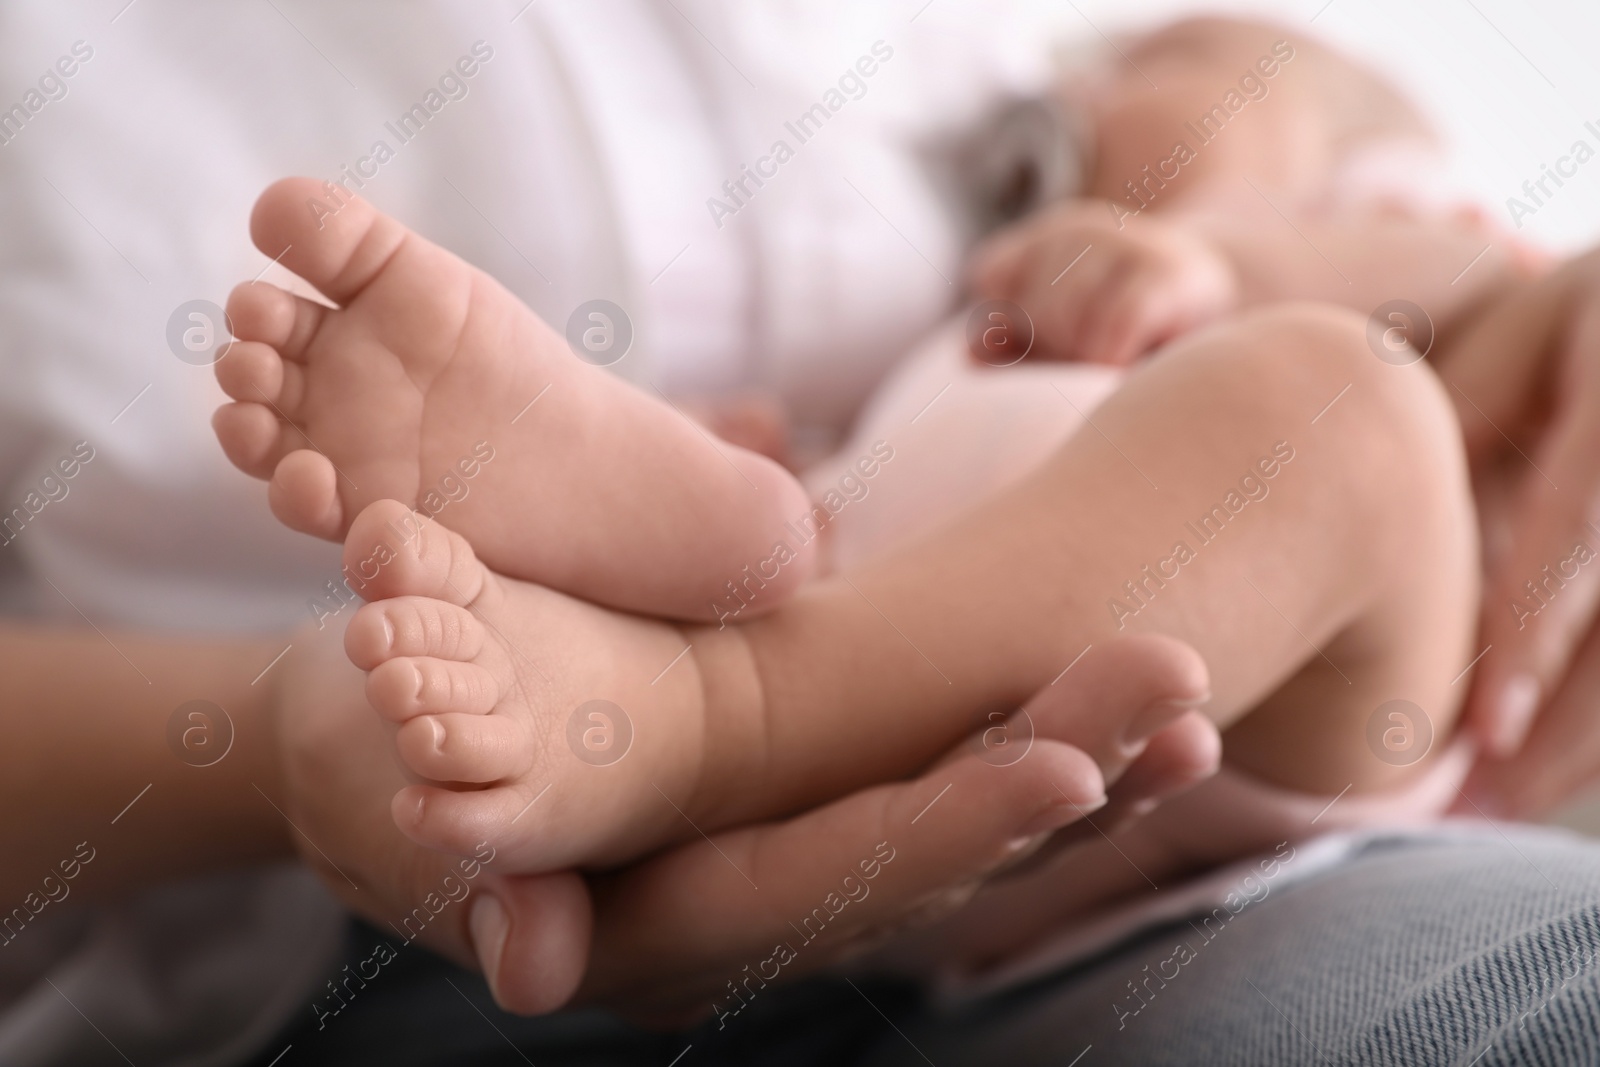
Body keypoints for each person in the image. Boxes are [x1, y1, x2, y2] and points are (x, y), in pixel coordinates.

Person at [0, 7, 1595, 1067]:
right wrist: (1194, 254)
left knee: (1348, 420)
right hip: (377, 911)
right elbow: (1337, 191)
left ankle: (707, 708)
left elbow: (1295, 115)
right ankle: (689, 571)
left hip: (1286, 746)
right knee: (790, 490)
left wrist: (1211, 223)